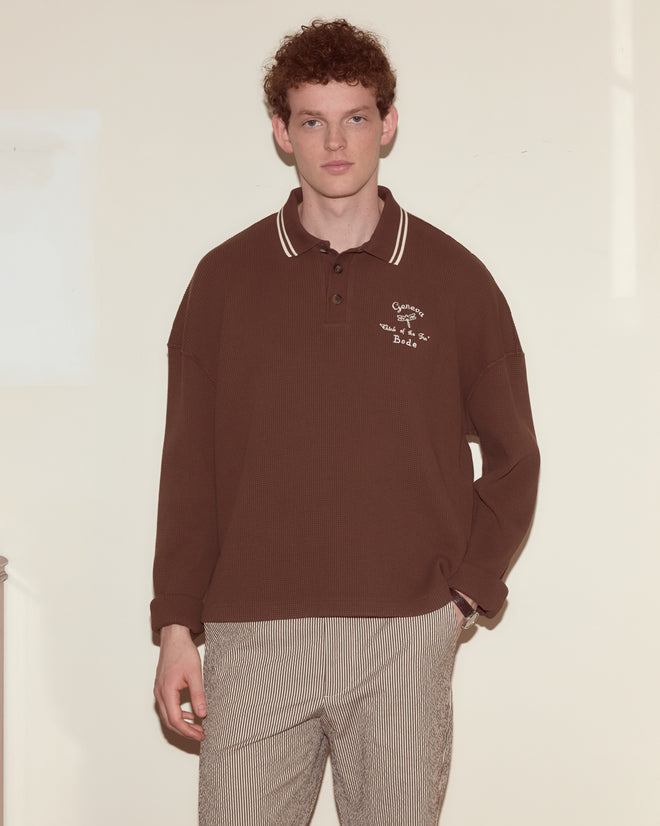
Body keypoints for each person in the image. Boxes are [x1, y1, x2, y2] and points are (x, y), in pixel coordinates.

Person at [151, 18, 540, 826]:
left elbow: (514, 458)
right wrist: (176, 626)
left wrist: (462, 600)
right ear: (280, 131)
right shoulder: (223, 283)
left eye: (355, 117)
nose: (335, 141)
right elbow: (188, 468)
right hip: (254, 640)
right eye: (312, 119)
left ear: (388, 124)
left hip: (402, 635)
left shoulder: (455, 281)